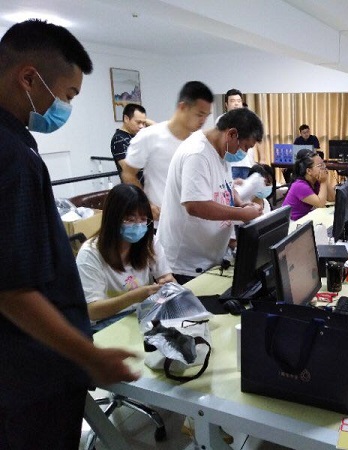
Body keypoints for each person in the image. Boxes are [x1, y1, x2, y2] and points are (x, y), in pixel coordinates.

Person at [0, 19, 138, 449]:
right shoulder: (12, 156)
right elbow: (12, 290)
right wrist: (88, 356)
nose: (66, 107)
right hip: (30, 374)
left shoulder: (16, 143)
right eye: (68, 95)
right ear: (28, 78)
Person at [158, 107, 264, 284]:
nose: (244, 153)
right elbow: (195, 205)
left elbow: (224, 186)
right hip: (186, 264)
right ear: (232, 134)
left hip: (208, 258)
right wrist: (241, 214)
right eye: (245, 146)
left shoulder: (222, 150)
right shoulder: (197, 154)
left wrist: (240, 203)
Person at [76, 184, 175, 332]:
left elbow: (166, 277)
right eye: (130, 219)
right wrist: (134, 297)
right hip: (107, 323)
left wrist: (168, 283)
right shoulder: (90, 254)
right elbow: (92, 310)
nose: (138, 226)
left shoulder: (149, 242)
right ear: (113, 219)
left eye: (143, 219)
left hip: (144, 313)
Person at [121, 81, 214, 223]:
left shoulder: (201, 142)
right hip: (161, 222)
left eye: (206, 116)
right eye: (199, 114)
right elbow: (128, 174)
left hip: (193, 222)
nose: (203, 121)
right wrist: (146, 204)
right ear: (183, 107)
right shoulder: (150, 136)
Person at [216, 88, 260, 180]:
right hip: (230, 164)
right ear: (226, 104)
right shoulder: (221, 120)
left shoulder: (249, 119)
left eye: (238, 101)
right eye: (232, 101)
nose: (236, 104)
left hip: (247, 164)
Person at [282, 149, 336, 221]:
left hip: (304, 218)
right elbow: (320, 204)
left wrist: (325, 180)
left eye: (323, 164)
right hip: (291, 222)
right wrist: (323, 182)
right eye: (320, 165)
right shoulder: (299, 186)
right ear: (309, 171)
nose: (324, 168)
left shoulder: (315, 181)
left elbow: (332, 199)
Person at [111, 103, 153, 184]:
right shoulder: (119, 139)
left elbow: (160, 131)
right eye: (138, 122)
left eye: (143, 123)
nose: (141, 126)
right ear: (126, 119)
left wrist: (143, 120)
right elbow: (128, 172)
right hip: (136, 188)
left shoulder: (137, 135)